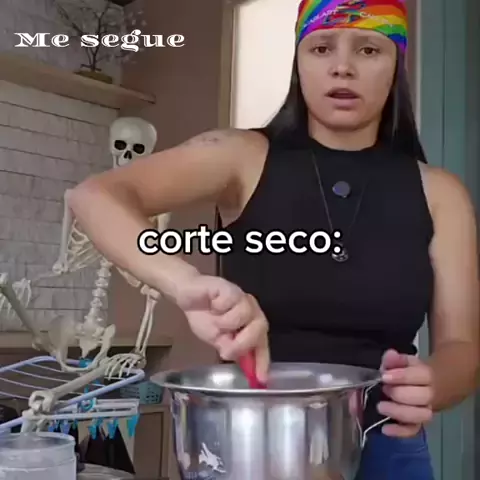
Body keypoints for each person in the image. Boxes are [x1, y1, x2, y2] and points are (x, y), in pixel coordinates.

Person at [66, 0, 479, 478]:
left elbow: (462, 347)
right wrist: (184, 282)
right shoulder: (241, 156)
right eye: (321, 48)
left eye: (369, 49)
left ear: (396, 65)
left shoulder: (440, 193)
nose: (342, 67)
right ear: (299, 62)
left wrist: (435, 383)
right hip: (251, 444)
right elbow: (94, 196)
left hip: (386, 444)